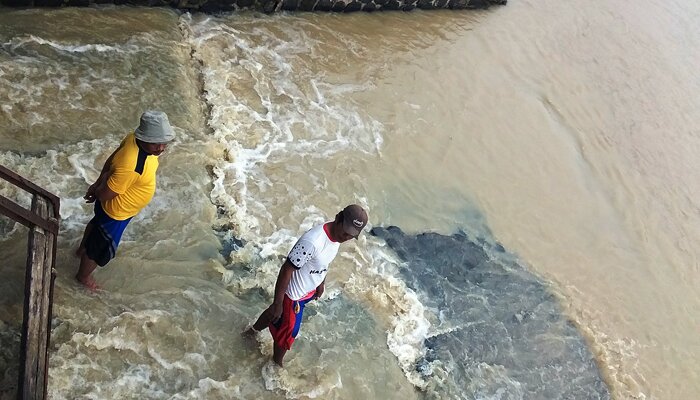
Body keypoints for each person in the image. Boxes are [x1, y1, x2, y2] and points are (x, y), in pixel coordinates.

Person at [245, 204, 368, 367]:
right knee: (290, 332)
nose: (346, 236)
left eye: (351, 235)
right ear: (338, 218)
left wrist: (320, 283)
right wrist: (278, 302)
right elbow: (286, 269)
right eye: (345, 231)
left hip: (308, 290)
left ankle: (251, 332)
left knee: (275, 316)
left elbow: (322, 263)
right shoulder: (312, 242)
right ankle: (276, 364)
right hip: (293, 295)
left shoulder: (337, 238)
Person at [75, 110, 175, 289]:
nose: (161, 148)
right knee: (99, 249)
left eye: (163, 143)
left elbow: (111, 160)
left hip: (110, 209)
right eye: (155, 144)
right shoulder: (132, 164)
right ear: (144, 138)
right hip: (116, 213)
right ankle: (83, 276)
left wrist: (98, 182)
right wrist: (99, 188)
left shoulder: (132, 139)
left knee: (96, 225)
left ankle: (81, 249)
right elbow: (106, 194)